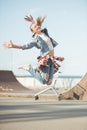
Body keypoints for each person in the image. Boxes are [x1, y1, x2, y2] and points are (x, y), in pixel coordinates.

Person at [3, 15, 64, 85]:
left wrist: (32, 21)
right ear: (33, 32)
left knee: (49, 83)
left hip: (52, 59)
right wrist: (14, 46)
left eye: (38, 25)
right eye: (35, 27)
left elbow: (37, 26)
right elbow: (26, 46)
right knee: (44, 81)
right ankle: (29, 68)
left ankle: (34, 70)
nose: (37, 26)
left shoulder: (44, 33)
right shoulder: (35, 40)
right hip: (45, 59)